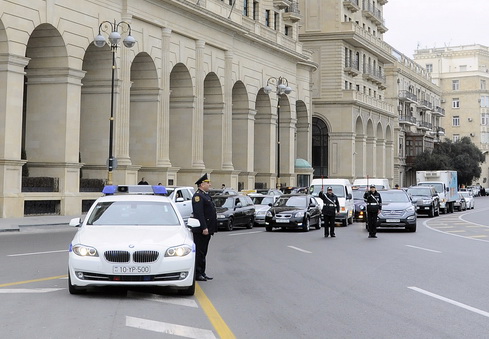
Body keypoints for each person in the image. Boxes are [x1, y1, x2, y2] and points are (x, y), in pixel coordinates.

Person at [191, 173, 217, 281]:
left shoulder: (205, 195)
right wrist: (204, 227)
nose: (209, 184)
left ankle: (202, 271)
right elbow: (199, 214)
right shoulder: (198, 196)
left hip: (208, 229)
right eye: (207, 183)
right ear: (202, 184)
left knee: (204, 251)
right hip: (202, 230)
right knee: (200, 252)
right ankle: (197, 273)